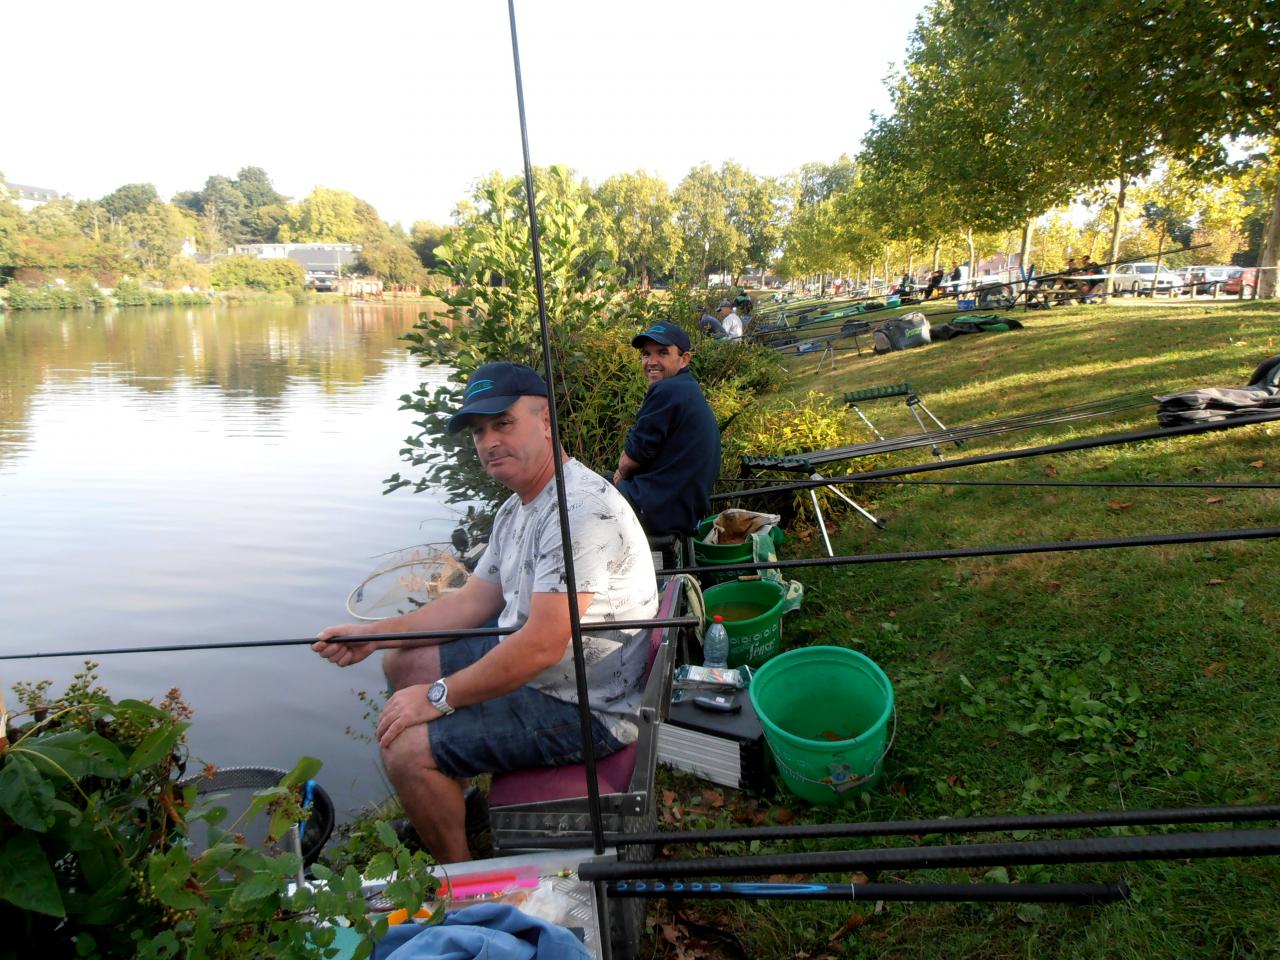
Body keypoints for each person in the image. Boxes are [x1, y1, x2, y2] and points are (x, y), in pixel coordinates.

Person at [313, 362, 658, 863]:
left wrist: (437, 698)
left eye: (503, 423)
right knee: (402, 662)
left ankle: (463, 879)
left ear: (546, 422)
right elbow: (471, 603)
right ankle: (459, 799)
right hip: (548, 672)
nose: (488, 441)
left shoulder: (580, 513)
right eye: (478, 431)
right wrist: (377, 633)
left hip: (587, 704)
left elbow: (541, 645)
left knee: (405, 747)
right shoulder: (518, 507)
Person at [613, 322, 721, 537]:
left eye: (662, 353)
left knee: (578, 501)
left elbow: (631, 459)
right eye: (646, 354)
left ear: (684, 359)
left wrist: (620, 475)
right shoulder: (687, 387)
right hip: (681, 506)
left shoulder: (667, 389)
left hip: (659, 510)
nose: (652, 362)